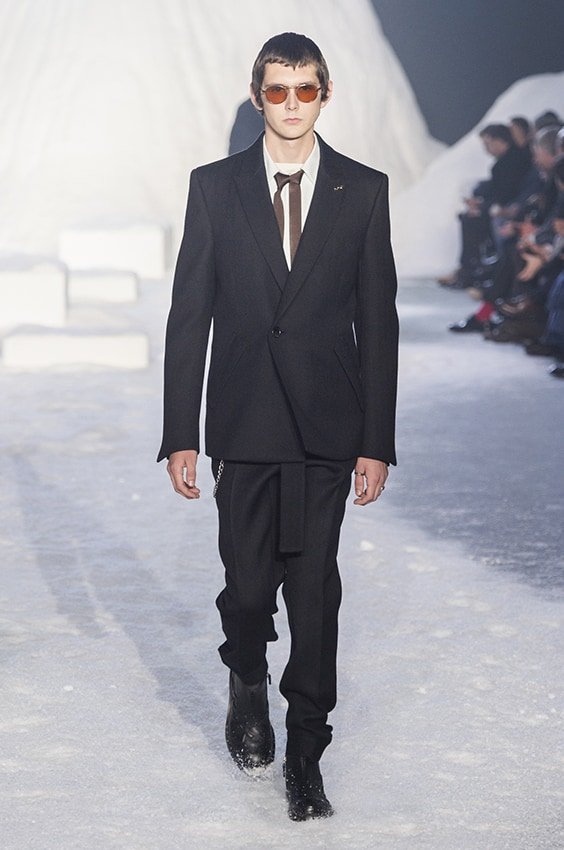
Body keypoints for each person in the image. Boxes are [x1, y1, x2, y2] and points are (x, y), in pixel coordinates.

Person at [157, 32, 399, 822]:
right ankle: (246, 676)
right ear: (258, 96)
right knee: (250, 586)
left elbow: (379, 320)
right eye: (277, 90)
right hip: (246, 420)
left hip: (328, 426)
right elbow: (190, 313)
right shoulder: (215, 187)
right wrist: (181, 431)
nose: (291, 104)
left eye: (305, 89)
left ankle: (305, 753)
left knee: (315, 593)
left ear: (325, 94)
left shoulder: (363, 189)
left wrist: (376, 440)